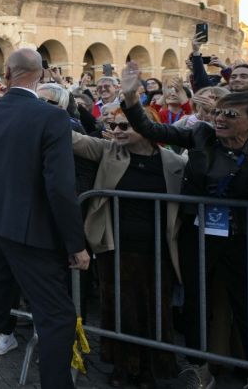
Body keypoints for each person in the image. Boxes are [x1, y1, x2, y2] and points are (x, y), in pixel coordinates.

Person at [119, 61, 248, 388]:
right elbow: (152, 130)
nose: (219, 118)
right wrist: (131, 98)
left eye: (230, 114)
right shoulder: (201, 134)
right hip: (199, 233)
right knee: (196, 301)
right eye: (218, 112)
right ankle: (197, 367)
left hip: (246, 239)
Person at [0, 49, 89, 389]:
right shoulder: (52, 117)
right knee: (57, 317)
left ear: (6, 73)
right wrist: (75, 243)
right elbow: (59, 186)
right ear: (42, 74)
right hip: (32, 232)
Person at [72, 103, 185, 387]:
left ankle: (149, 367)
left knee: (154, 308)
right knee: (119, 307)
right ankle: (122, 365)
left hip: (158, 247)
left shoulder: (173, 162)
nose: (116, 131)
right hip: (115, 245)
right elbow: (74, 140)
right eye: (113, 125)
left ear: (147, 128)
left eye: (125, 126)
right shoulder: (108, 150)